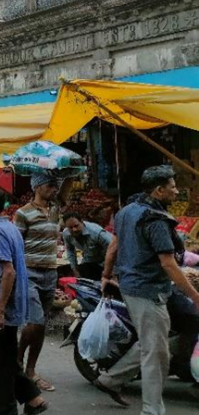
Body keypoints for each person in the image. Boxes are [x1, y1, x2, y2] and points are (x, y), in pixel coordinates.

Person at [95, 166, 199, 414]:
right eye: (172, 186)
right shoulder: (155, 220)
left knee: (154, 340)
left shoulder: (126, 212)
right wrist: (195, 295)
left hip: (131, 286)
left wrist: (106, 275)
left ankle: (111, 379)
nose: (176, 190)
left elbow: (113, 248)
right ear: (159, 190)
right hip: (148, 290)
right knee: (156, 354)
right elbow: (168, 263)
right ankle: (152, 410)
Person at [0, 186, 48, 415]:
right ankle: (33, 398)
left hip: (0, 311)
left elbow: (8, 272)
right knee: (6, 360)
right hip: (13, 307)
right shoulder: (9, 227)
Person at [14, 174, 66, 393]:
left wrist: (68, 173)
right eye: (49, 185)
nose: (54, 189)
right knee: (35, 322)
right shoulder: (22, 213)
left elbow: (64, 194)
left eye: (56, 185)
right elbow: (16, 245)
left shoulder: (54, 211)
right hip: (29, 273)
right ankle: (16, 359)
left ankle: (31, 370)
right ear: (37, 187)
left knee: (41, 325)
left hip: (50, 273)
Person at [61, 212, 112, 280]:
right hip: (90, 260)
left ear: (82, 222)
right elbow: (70, 252)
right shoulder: (66, 233)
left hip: (106, 261)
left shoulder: (96, 232)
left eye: (76, 226)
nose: (74, 229)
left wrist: (109, 272)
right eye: (70, 227)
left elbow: (114, 249)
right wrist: (75, 271)